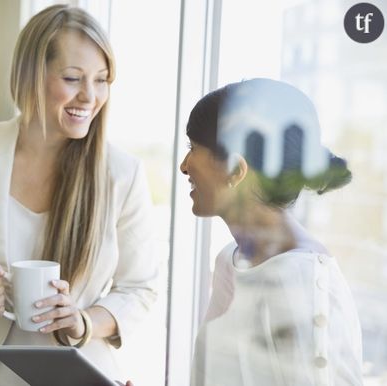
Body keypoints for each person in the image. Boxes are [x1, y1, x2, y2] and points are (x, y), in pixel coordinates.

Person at [0, 5, 159, 385]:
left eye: (102, 79)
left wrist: (83, 323)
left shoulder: (122, 173)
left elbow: (139, 289)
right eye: (73, 78)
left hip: (81, 374)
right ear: (31, 75)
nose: (90, 96)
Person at [122, 78, 363, 386]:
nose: (184, 165)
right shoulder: (231, 262)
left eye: (193, 148)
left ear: (236, 170)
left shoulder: (301, 282)